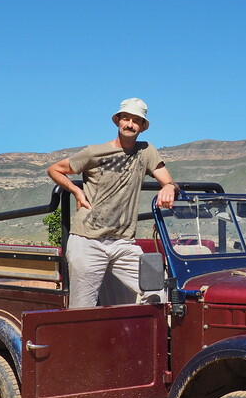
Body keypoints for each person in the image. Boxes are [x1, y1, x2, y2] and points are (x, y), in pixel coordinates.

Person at [47, 98, 178, 308]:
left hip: (123, 243)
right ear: (117, 121)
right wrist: (76, 191)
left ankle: (136, 337)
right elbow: (55, 169)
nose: (130, 124)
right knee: (83, 309)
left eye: (136, 120)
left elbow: (168, 181)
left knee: (157, 291)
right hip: (88, 240)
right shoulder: (94, 152)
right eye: (125, 118)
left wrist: (169, 188)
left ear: (142, 127)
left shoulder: (146, 152)